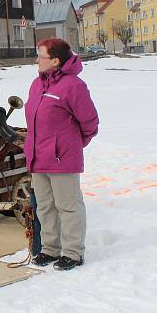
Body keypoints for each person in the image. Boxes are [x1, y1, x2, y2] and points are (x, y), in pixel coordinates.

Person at [24, 38, 98, 270]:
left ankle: (73, 253)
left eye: (41, 56)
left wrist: (71, 145)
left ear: (55, 61)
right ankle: (50, 249)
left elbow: (90, 122)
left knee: (69, 206)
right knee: (44, 207)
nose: (37, 60)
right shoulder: (37, 84)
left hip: (62, 159)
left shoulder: (73, 86)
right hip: (38, 158)